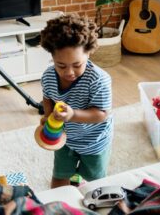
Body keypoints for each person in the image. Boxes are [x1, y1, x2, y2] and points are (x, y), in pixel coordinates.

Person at [40, 14, 113, 188]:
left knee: (96, 183)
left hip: (94, 141)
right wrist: (48, 116)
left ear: (89, 52)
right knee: (59, 177)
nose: (69, 72)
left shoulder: (99, 79)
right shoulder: (48, 76)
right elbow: (47, 98)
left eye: (77, 64)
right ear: (52, 56)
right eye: (61, 65)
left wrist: (72, 114)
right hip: (64, 139)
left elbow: (101, 114)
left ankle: (80, 180)